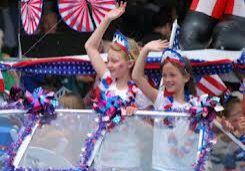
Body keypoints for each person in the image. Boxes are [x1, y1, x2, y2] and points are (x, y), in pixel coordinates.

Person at [84, 2, 152, 170]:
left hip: (127, 163)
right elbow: (90, 47)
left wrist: (136, 117)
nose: (109, 65)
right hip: (102, 160)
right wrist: (107, 19)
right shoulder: (106, 80)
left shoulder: (140, 92)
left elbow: (151, 130)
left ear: (129, 63)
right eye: (108, 60)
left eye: (115, 61)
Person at [132, 42, 201, 171]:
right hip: (161, 167)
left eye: (172, 75)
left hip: (187, 167)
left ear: (186, 77)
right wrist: (146, 50)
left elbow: (216, 125)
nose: (168, 79)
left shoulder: (197, 105)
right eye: (164, 75)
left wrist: (225, 125)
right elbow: (137, 77)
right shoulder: (161, 99)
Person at [206, 95, 245, 171]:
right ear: (227, 120)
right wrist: (238, 134)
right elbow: (217, 161)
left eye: (242, 113)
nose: (240, 118)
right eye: (235, 117)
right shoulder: (221, 138)